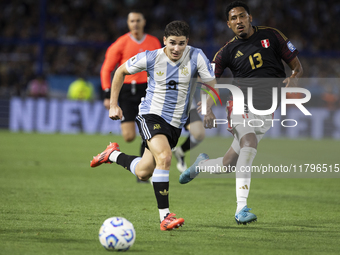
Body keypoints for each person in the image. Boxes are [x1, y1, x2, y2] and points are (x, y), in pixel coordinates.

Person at [179, 1, 303, 225]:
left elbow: (297, 66)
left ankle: (200, 165)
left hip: (267, 110)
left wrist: (293, 78)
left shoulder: (272, 36)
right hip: (240, 104)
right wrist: (206, 106)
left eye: (242, 16)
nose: (239, 21)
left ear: (250, 18)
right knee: (249, 143)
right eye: (234, 18)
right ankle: (241, 209)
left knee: (228, 164)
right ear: (228, 24)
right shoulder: (226, 51)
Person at [90, 21, 216, 230]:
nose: (177, 48)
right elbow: (120, 71)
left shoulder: (197, 55)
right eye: (173, 43)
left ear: (188, 42)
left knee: (143, 171)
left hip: (175, 124)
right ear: (164, 40)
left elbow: (211, 84)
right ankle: (165, 217)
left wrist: (209, 107)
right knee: (165, 157)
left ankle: (111, 155)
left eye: (182, 44)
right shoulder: (151, 57)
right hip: (151, 116)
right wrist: (114, 104)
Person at [100, 11, 161, 182]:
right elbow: (107, 69)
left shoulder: (153, 42)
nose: (135, 24)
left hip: (146, 89)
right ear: (128, 23)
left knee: (147, 131)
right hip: (126, 91)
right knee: (128, 136)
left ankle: (143, 171)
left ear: (144, 22)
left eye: (138, 21)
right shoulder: (121, 43)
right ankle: (121, 157)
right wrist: (107, 94)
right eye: (132, 21)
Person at [172, 102, 205, 173]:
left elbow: (206, 90)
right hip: (163, 106)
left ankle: (180, 151)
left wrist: (205, 107)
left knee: (199, 134)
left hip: (186, 105)